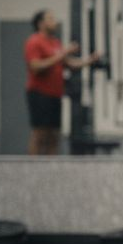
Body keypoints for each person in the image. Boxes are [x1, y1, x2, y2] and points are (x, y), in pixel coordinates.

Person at [24, 9, 100, 156]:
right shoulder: (34, 41)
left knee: (54, 134)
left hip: (55, 95)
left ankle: (51, 171)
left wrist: (89, 60)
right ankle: (32, 170)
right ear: (41, 24)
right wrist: (62, 54)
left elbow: (69, 63)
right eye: (50, 19)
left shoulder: (55, 42)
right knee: (40, 134)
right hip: (39, 94)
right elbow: (35, 66)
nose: (54, 21)